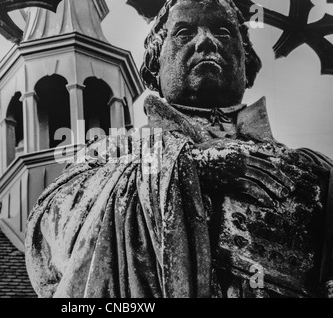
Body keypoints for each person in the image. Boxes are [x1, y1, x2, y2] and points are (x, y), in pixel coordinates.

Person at [25, 0, 333, 298]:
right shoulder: (113, 153)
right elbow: (47, 237)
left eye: (223, 32)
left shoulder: (313, 168)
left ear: (247, 60)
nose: (206, 41)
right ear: (155, 66)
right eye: (184, 33)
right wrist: (190, 168)